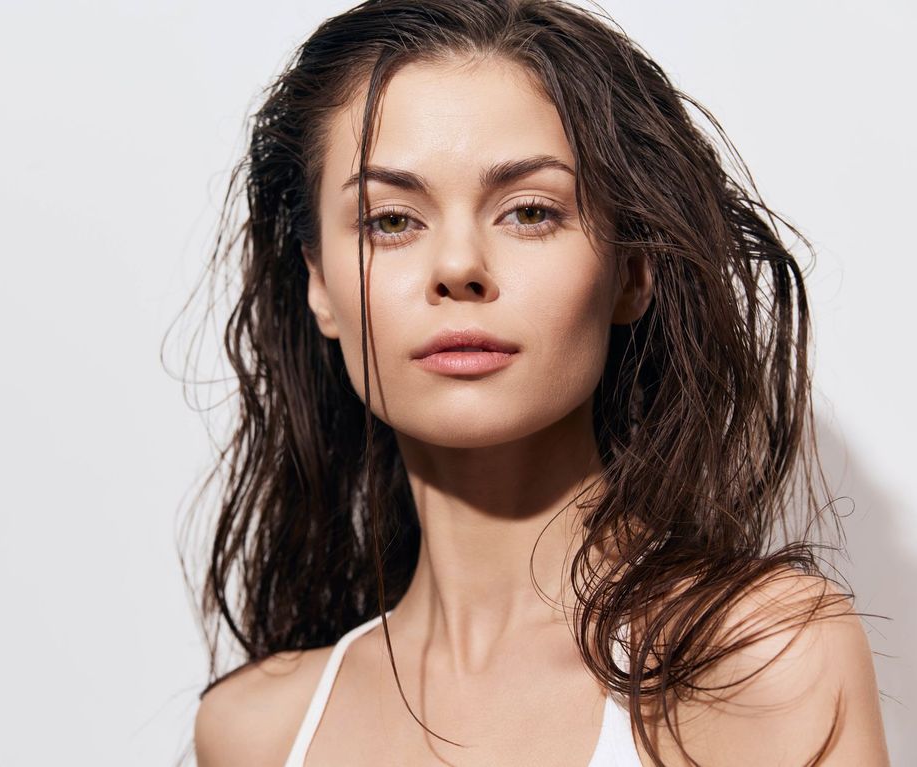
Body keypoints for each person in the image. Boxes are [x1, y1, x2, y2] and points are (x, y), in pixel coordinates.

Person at [180, 1, 891, 764]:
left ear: (632, 270)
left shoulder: (758, 659)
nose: (458, 268)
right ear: (318, 281)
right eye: (391, 220)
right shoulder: (255, 729)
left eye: (529, 211)